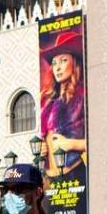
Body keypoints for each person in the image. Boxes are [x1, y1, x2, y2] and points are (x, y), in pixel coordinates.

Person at [40, 31, 87, 180]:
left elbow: (101, 139)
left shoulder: (83, 97)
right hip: (50, 179)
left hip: (73, 175)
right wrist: (42, 148)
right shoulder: (48, 101)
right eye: (54, 63)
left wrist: (71, 144)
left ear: (75, 63)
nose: (57, 67)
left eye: (63, 60)